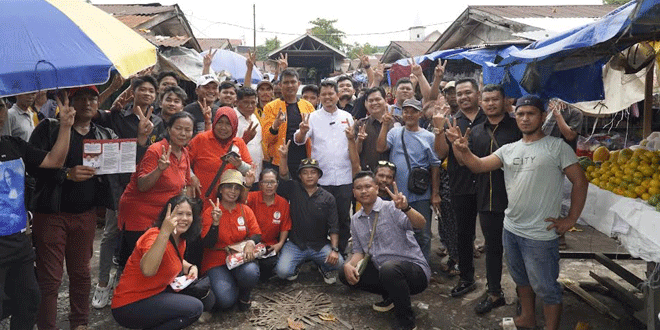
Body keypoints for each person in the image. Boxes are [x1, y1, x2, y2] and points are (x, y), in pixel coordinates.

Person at [448, 95, 588, 330]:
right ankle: (527, 318)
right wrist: (462, 150)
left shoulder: (557, 147)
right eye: (520, 114)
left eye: (530, 113)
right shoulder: (509, 149)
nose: (524, 118)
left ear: (542, 117)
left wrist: (571, 219)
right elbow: (478, 165)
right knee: (521, 280)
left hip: (541, 234)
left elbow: (580, 182)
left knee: (546, 287)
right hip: (511, 228)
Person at [28, 86, 119, 330]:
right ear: (69, 101)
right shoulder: (48, 128)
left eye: (93, 98)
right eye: (81, 98)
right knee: (51, 278)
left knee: (81, 274)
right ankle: (47, 326)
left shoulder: (104, 133)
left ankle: (80, 323)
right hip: (51, 215)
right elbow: (33, 168)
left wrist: (141, 139)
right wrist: (66, 174)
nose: (88, 103)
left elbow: (120, 164)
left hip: (85, 215)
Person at [91, 75, 166, 312]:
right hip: (119, 187)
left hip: (145, 187)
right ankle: (102, 283)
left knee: (139, 235)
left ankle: (128, 279)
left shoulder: (159, 122)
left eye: (150, 91)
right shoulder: (116, 116)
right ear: (132, 93)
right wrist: (114, 88)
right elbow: (93, 113)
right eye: (141, 89)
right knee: (112, 232)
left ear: (156, 96)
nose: (146, 94)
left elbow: (157, 155)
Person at [0, 94, 73, 330]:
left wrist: (65, 127)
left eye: (1, 106)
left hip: (17, 242)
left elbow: (54, 160)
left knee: (30, 301)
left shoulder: (14, 145)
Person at [114, 111, 195, 287]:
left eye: (188, 130)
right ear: (168, 129)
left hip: (163, 217)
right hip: (140, 214)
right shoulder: (156, 150)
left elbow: (185, 185)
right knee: (137, 261)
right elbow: (142, 185)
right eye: (178, 128)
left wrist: (187, 214)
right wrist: (159, 169)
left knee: (159, 258)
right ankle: (125, 295)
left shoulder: (185, 153)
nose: (183, 133)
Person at [341, 171, 430, 330]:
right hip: (384, 271)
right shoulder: (356, 219)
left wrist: (406, 208)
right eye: (359, 188)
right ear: (354, 193)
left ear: (376, 188)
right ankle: (391, 296)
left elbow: (420, 224)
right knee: (344, 273)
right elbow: (359, 252)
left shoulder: (392, 207)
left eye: (368, 186)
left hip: (413, 272)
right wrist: (349, 265)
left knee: (390, 269)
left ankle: (407, 324)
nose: (364, 191)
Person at [111, 195, 213, 329]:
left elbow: (174, 258)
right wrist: (164, 232)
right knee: (195, 308)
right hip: (131, 303)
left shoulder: (180, 238)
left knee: (208, 299)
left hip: (157, 292)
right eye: (179, 213)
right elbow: (147, 270)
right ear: (167, 216)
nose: (184, 218)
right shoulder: (154, 236)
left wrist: (190, 267)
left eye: (189, 214)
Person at [462, 84, 522, 314]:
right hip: (486, 199)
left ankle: (523, 297)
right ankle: (494, 292)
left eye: (495, 99)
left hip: (516, 199)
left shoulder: (518, 127)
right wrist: (459, 148)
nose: (490, 103)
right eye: (486, 100)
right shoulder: (476, 131)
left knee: (519, 251)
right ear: (481, 102)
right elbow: (468, 163)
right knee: (493, 248)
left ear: (504, 101)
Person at [433, 78, 487, 297]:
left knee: (494, 236)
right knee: (464, 235)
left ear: (478, 94)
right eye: (460, 93)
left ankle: (496, 285)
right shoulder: (450, 121)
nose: (463, 97)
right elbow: (440, 154)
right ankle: (466, 278)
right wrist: (439, 131)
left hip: (488, 184)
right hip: (461, 185)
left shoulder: (491, 118)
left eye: (468, 92)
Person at [294, 80, 355, 254]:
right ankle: (319, 255)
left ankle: (341, 251)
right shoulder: (312, 117)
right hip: (321, 178)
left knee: (343, 218)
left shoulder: (346, 117)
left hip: (344, 176)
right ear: (319, 97)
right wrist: (303, 131)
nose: (328, 97)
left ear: (337, 95)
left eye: (331, 93)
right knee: (320, 218)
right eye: (324, 94)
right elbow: (299, 140)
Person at [376, 98, 441, 264]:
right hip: (397, 194)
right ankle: (401, 264)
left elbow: (435, 166)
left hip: (421, 193)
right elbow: (381, 148)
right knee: (396, 230)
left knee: (423, 233)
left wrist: (435, 194)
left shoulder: (429, 137)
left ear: (420, 114)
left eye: (413, 111)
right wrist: (384, 125)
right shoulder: (394, 133)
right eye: (406, 111)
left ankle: (423, 267)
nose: (409, 114)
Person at [274, 143, 344, 284]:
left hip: (319, 245)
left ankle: (323, 266)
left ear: (319, 175)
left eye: (313, 172)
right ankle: (296, 265)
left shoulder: (328, 197)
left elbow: (334, 226)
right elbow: (283, 175)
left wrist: (335, 249)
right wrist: (283, 157)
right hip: (295, 244)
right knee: (282, 272)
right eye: (305, 173)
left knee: (340, 264)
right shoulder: (294, 189)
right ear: (299, 176)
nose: (309, 176)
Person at [201, 169, 261, 311]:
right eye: (229, 186)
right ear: (221, 189)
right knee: (226, 301)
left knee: (251, 271)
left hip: (239, 258)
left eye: (237, 188)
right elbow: (207, 243)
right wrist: (215, 223)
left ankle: (244, 295)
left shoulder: (244, 210)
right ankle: (227, 287)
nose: (233, 191)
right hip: (216, 261)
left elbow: (257, 234)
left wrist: (251, 243)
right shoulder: (210, 211)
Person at [188, 107, 252, 210]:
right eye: (220, 122)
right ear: (214, 122)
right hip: (202, 202)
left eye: (228, 124)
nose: (223, 127)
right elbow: (183, 161)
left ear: (234, 125)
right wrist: (191, 177)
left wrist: (239, 165)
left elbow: (250, 172)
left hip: (228, 205)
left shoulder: (239, 143)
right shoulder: (201, 139)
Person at [261, 69, 314, 174]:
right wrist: (275, 126)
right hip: (278, 161)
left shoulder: (308, 106)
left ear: (298, 84)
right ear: (280, 85)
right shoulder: (270, 107)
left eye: (293, 82)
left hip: (304, 161)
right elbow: (266, 139)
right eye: (286, 82)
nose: (290, 85)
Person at [246, 168, 291, 281]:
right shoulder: (252, 197)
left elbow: (285, 226)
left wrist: (280, 244)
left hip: (270, 247)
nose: (269, 186)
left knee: (272, 267)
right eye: (265, 182)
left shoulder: (283, 203)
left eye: (272, 182)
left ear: (277, 184)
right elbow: (241, 201)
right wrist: (247, 185)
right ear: (260, 185)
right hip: (250, 245)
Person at [354, 87, 403, 173]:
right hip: (369, 174)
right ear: (366, 103)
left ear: (385, 100)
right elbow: (354, 152)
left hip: (394, 174)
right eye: (371, 101)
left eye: (377, 99)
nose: (374, 103)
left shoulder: (399, 121)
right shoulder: (360, 124)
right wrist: (360, 140)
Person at [234, 87, 263, 183]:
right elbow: (228, 149)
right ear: (237, 102)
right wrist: (244, 140)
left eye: (253, 103)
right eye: (246, 102)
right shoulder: (232, 118)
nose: (250, 106)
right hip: (238, 175)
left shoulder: (254, 117)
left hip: (256, 174)